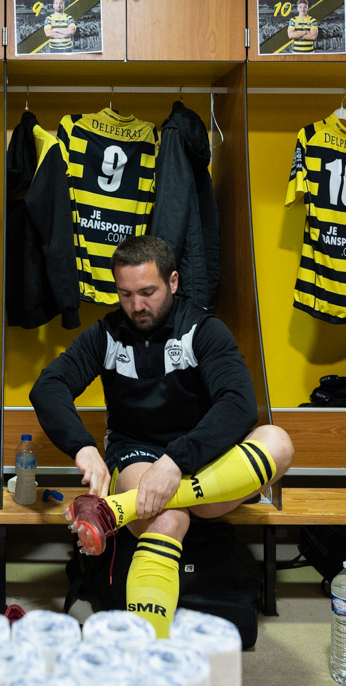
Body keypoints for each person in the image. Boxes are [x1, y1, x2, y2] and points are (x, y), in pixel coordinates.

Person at [30, 236, 293, 637]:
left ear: (172, 281)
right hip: (136, 456)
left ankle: (115, 511)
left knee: (278, 442)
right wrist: (83, 447)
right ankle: (151, 646)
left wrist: (176, 463)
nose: (136, 306)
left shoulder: (203, 328)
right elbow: (48, 387)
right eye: (125, 294)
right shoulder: (106, 333)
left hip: (198, 460)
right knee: (166, 518)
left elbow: (239, 403)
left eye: (148, 292)